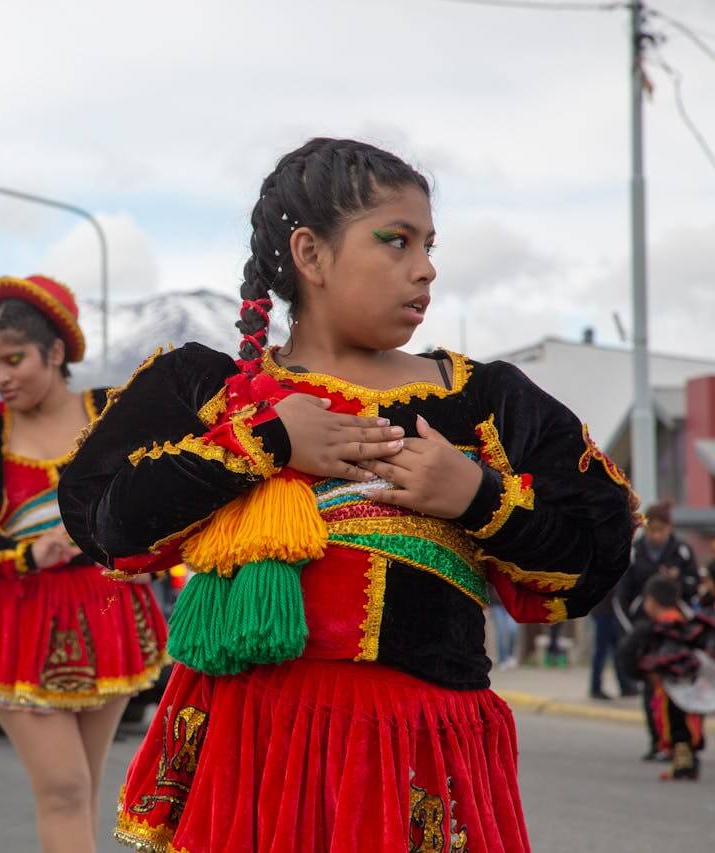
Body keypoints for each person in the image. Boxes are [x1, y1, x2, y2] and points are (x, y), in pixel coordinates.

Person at [58, 138, 638, 852]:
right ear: (310, 253)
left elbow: (596, 551)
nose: (424, 267)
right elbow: (102, 518)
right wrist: (264, 442)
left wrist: (476, 498)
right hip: (254, 743)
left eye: (429, 244)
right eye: (395, 241)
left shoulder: (482, 403)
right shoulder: (209, 392)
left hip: (415, 750)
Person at [0, 275, 168, 853]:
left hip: (106, 609)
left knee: (85, 788)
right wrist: (22, 550)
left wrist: (130, 543)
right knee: (62, 787)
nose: (2, 377)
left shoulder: (111, 413)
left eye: (14, 360)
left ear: (55, 352)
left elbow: (162, 492)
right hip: (16, 612)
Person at [617, 502, 699, 759]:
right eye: (651, 530)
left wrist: (677, 581)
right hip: (646, 629)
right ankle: (657, 740)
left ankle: (682, 742)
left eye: (661, 530)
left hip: (676, 629)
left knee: (678, 687)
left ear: (669, 529)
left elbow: (694, 584)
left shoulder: (682, 551)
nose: (656, 535)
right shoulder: (634, 553)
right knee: (652, 688)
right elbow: (623, 593)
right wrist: (634, 627)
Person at [618, 575, 709, 781]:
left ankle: (681, 758)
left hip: (662, 686)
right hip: (691, 686)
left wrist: (641, 674)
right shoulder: (689, 626)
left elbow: (627, 654)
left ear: (649, 601)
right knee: (689, 721)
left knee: (672, 723)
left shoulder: (649, 629)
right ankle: (688, 759)